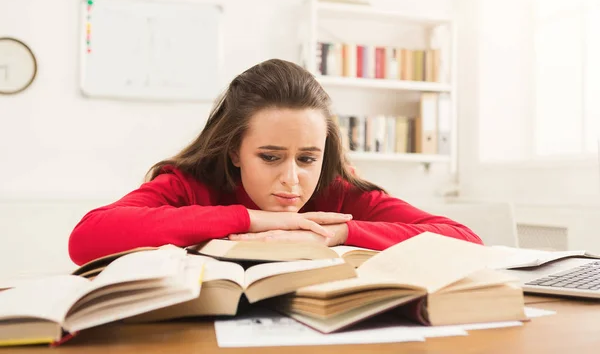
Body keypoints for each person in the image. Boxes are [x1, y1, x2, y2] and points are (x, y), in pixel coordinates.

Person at [68, 59, 482, 266]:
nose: (291, 180)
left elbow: (465, 240)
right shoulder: (188, 183)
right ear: (234, 150)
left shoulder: (338, 191)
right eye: (269, 157)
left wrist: (339, 233)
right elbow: (86, 239)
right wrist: (250, 220)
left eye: (307, 158)